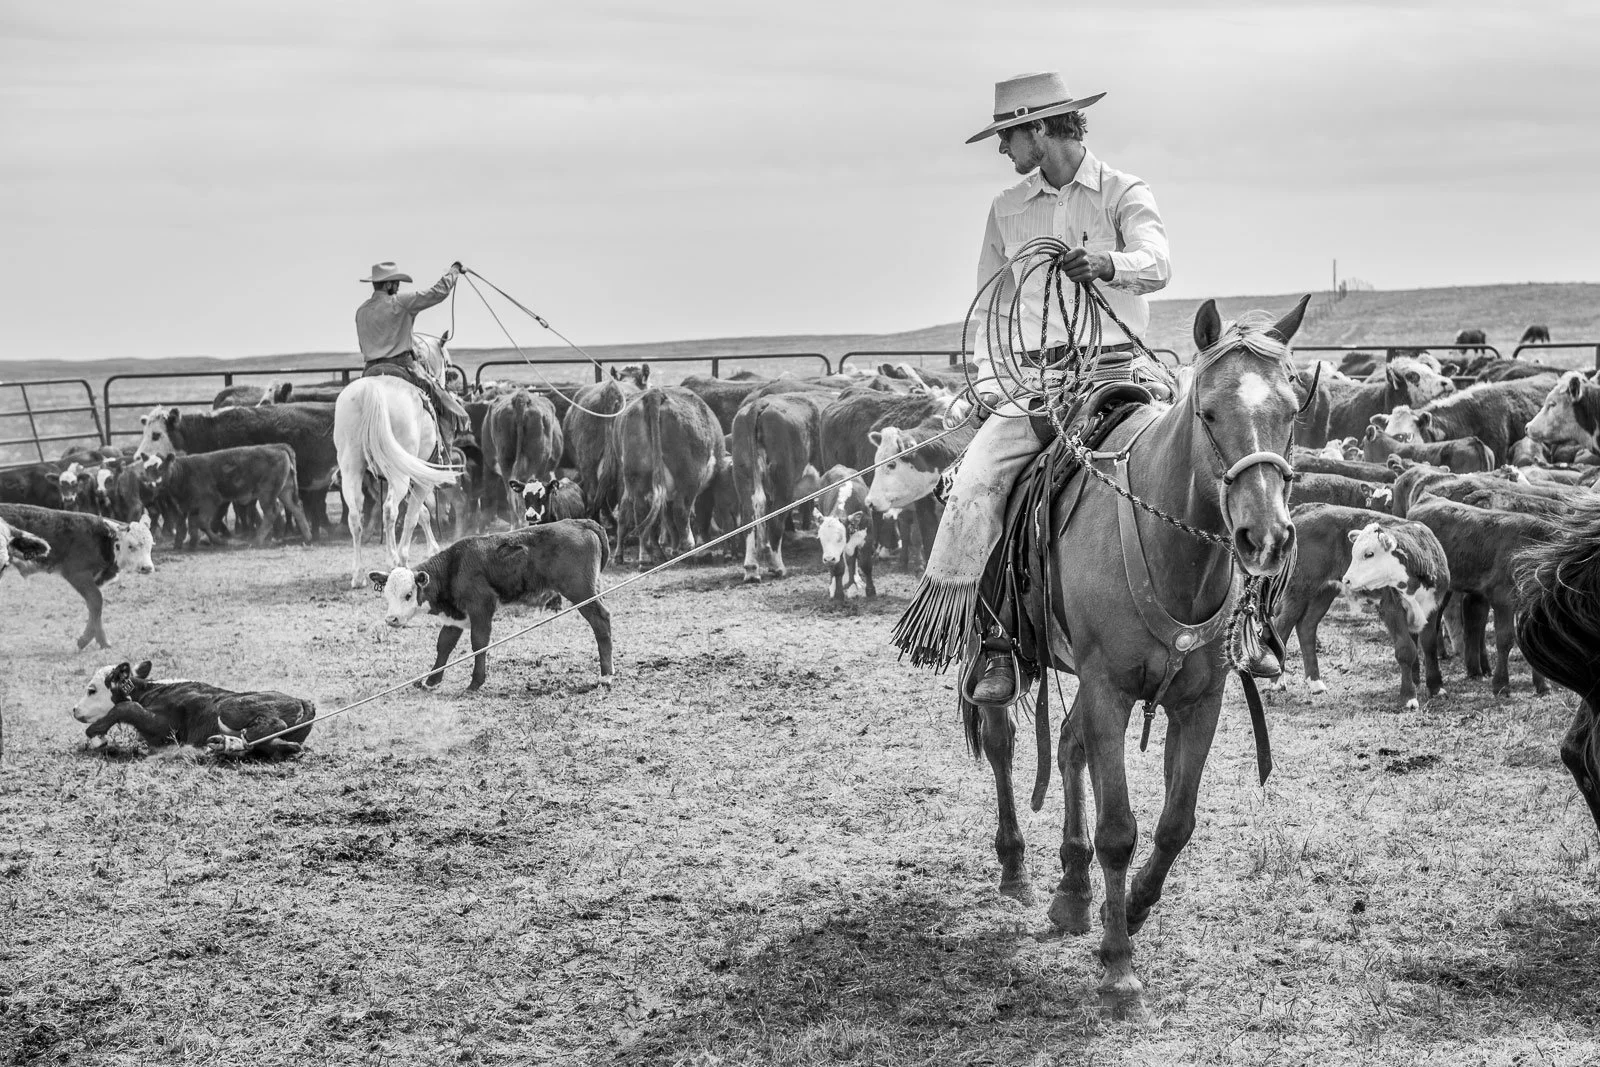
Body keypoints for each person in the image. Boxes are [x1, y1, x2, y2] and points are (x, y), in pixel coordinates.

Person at [891, 71, 1177, 705]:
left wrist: (1108, 263)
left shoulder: (1122, 192)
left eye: (1007, 135)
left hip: (1120, 371)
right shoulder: (1006, 210)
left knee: (1212, 456)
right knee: (974, 486)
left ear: (1040, 128)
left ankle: (1247, 618)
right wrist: (995, 383)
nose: (1002, 149)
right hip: (1038, 382)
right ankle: (995, 641)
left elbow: (1157, 262)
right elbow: (990, 302)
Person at [355, 261, 472, 441]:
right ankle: (444, 457)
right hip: (403, 366)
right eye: (396, 282)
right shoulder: (401, 303)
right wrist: (453, 272)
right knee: (447, 409)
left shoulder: (361, 311)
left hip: (369, 371)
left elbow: (364, 346)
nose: (398, 286)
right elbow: (437, 292)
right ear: (388, 284)